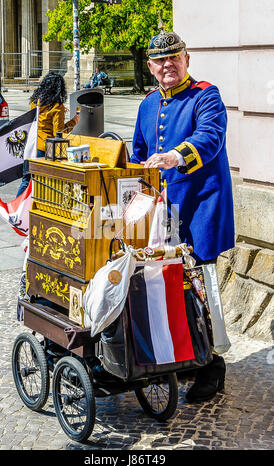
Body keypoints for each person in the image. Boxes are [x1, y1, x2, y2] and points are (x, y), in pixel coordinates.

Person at [131, 23, 235, 403]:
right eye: (160, 60)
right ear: (151, 66)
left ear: (186, 59)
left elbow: (210, 136)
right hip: (165, 212)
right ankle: (187, 358)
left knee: (201, 286)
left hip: (202, 207)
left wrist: (177, 155)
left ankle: (212, 367)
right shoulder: (146, 104)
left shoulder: (206, 96)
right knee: (172, 284)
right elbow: (138, 157)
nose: (168, 64)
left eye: (174, 57)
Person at [16, 72, 80, 197]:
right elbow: (58, 132)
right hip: (45, 149)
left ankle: (16, 209)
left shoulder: (35, 102)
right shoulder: (57, 107)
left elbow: (40, 117)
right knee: (45, 183)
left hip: (31, 146)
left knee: (26, 181)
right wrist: (74, 121)